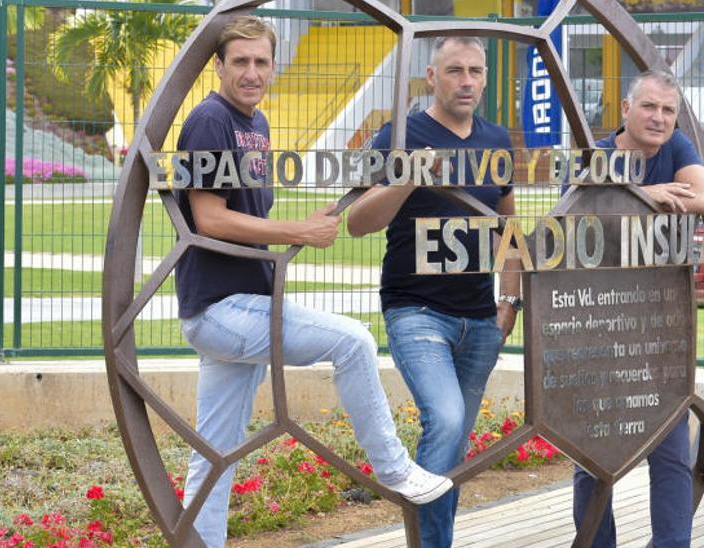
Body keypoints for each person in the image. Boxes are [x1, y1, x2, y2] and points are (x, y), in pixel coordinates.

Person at [174, 17, 451, 547]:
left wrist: (310, 221)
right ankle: (392, 469)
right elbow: (207, 218)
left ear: (274, 66)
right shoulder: (211, 120)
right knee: (353, 341)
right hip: (222, 309)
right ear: (219, 66)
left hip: (237, 305)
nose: (251, 72)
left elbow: (247, 217)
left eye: (260, 62)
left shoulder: (254, 123)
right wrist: (295, 230)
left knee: (213, 452)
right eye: (240, 62)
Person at [346, 36, 520, 548]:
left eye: (475, 72)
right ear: (432, 78)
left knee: (451, 447)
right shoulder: (399, 135)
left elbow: (506, 231)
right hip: (416, 310)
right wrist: (408, 175)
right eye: (454, 71)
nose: (466, 81)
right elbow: (357, 223)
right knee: (443, 421)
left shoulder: (497, 140)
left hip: (480, 319)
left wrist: (508, 302)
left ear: (485, 78)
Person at [570, 69, 704, 548]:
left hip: (656, 330)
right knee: (593, 457)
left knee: (671, 453)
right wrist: (645, 195)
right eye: (649, 107)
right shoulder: (597, 157)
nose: (658, 117)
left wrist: (620, 202)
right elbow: (577, 217)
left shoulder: (675, 150)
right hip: (595, 327)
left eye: (668, 110)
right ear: (626, 109)